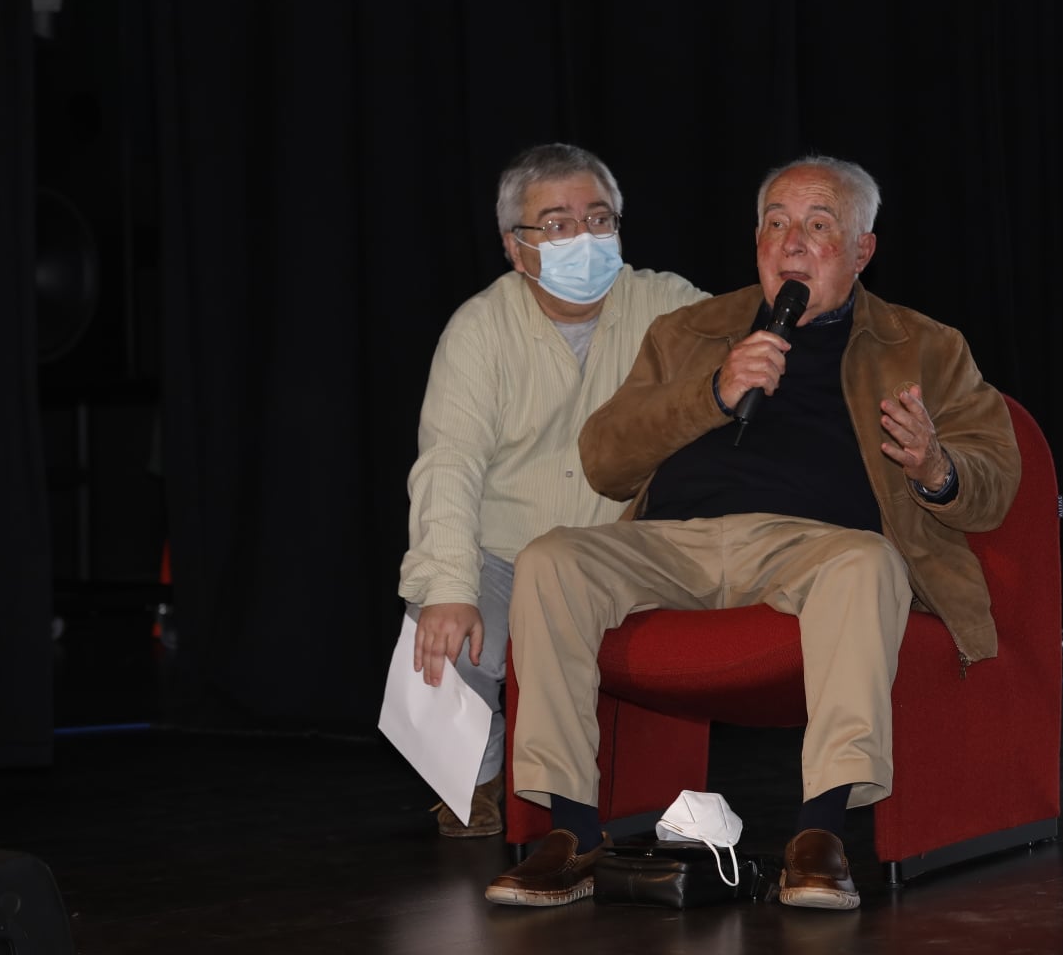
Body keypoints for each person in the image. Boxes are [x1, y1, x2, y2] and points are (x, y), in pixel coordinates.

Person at [482, 154, 1021, 910]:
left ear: (863, 250)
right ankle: (572, 831)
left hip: (815, 548)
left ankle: (819, 835)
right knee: (551, 560)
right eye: (775, 225)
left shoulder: (924, 345)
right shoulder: (692, 330)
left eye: (819, 225)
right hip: (671, 546)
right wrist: (714, 391)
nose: (792, 243)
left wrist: (937, 466)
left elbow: (997, 478)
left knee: (868, 564)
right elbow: (605, 459)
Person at [397, 143, 707, 837]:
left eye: (600, 220)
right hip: (509, 550)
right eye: (559, 225)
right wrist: (449, 586)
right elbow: (449, 464)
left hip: (622, 553)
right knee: (435, 625)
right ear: (516, 247)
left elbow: (747, 352)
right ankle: (471, 783)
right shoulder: (479, 328)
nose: (586, 239)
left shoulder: (666, 304)